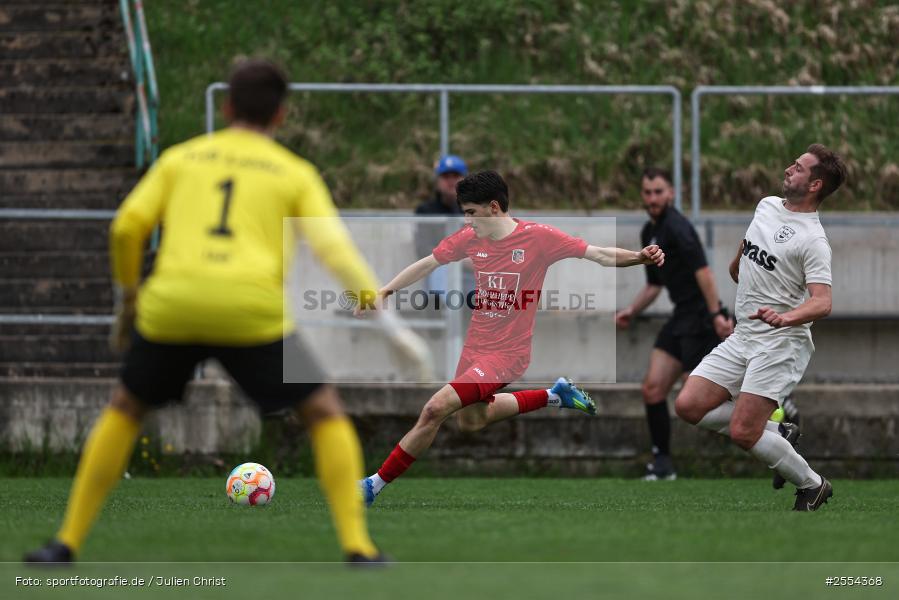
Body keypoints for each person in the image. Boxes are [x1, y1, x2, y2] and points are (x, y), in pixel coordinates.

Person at [24, 59, 423, 563]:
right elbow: (334, 249)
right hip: (248, 311)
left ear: (228, 106)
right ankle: (358, 547)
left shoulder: (180, 158)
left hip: (173, 305)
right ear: (281, 115)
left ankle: (65, 543)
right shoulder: (294, 172)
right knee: (324, 413)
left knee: (125, 409)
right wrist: (386, 320)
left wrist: (127, 300)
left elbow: (126, 227)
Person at [360, 170, 666, 506]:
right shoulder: (470, 237)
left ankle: (373, 485)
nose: (467, 221)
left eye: (472, 213)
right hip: (475, 349)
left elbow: (599, 254)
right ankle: (554, 395)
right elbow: (429, 263)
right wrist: (385, 290)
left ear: (494, 208)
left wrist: (639, 257)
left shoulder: (539, 238)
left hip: (507, 355)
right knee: (472, 421)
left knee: (435, 409)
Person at [674, 144, 846, 511]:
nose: (788, 169)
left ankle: (813, 485)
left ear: (815, 185)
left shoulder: (813, 240)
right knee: (688, 406)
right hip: (744, 336)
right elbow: (751, 242)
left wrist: (786, 317)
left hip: (780, 344)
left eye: (798, 168)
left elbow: (822, 302)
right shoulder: (767, 205)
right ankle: (778, 432)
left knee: (743, 432)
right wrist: (738, 261)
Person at [615, 168, 733, 481]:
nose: (652, 198)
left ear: (672, 194)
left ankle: (770, 424)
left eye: (658, 192)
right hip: (681, 317)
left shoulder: (679, 228)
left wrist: (716, 315)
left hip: (700, 318)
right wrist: (631, 311)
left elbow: (704, 273)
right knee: (653, 389)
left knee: (695, 401)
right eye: (647, 192)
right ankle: (662, 464)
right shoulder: (649, 232)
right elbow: (654, 285)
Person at [414, 154, 474, 295]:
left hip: (471, 272)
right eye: (446, 176)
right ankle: (443, 308)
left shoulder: (476, 209)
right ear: (437, 181)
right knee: (439, 272)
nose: (451, 181)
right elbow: (423, 248)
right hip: (438, 269)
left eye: (456, 176)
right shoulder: (426, 210)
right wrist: (456, 260)